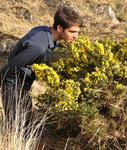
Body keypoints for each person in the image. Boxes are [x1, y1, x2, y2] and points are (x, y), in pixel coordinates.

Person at [0, 5, 83, 139]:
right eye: (72, 32)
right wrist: (11, 94)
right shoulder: (38, 47)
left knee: (26, 128)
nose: (76, 36)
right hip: (13, 86)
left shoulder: (46, 32)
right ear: (60, 28)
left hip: (23, 87)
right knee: (16, 132)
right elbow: (8, 69)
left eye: (77, 32)